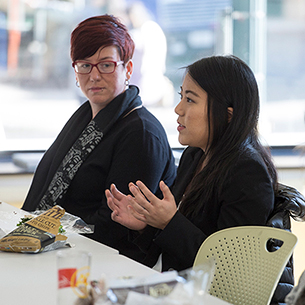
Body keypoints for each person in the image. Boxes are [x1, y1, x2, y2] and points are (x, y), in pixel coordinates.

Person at [106, 55, 294, 304]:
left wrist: (168, 222)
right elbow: (176, 235)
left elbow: (228, 270)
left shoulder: (247, 172)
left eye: (190, 100)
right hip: (181, 288)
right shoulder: (195, 154)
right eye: (181, 96)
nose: (178, 109)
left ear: (227, 114)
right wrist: (145, 222)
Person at [22, 15, 176, 262]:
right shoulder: (85, 117)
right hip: (61, 253)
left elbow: (114, 227)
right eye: (84, 65)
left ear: (128, 69)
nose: (93, 76)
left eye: (106, 64)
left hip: (102, 266)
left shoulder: (141, 134)